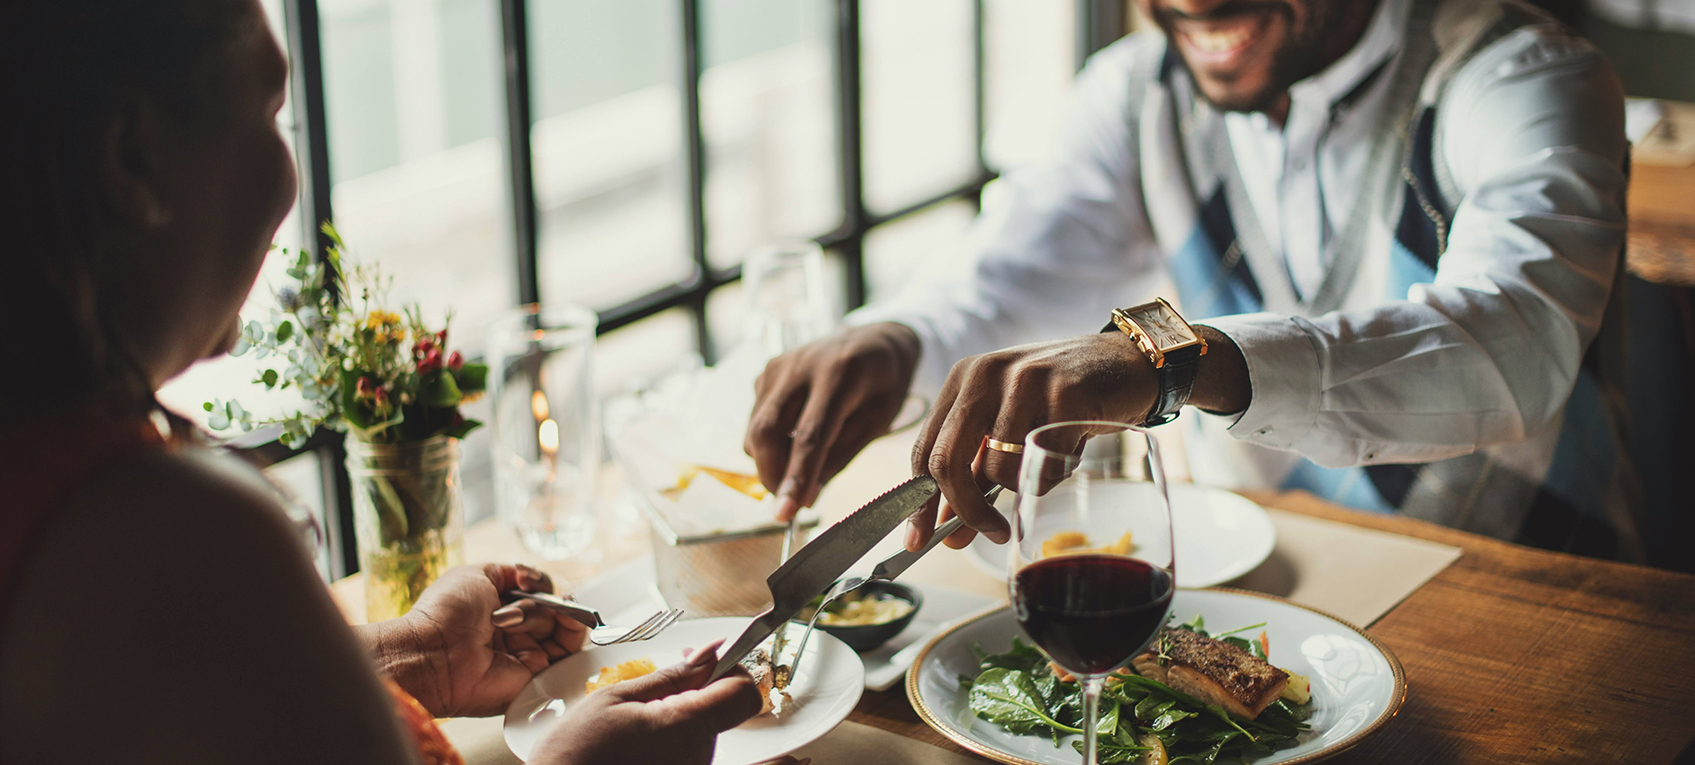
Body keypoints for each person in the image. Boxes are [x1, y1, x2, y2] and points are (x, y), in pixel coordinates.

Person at [0, 1, 765, 763]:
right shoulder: (175, 531)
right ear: (132, 159)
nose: (291, 184)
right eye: (273, 115)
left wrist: (415, 656)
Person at [747, 0, 1647, 561]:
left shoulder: (1523, 78)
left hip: (1534, 577)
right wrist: (895, 337)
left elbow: (1506, 346)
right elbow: (1009, 275)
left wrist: (1174, 362)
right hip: (1264, 579)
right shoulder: (1135, 91)